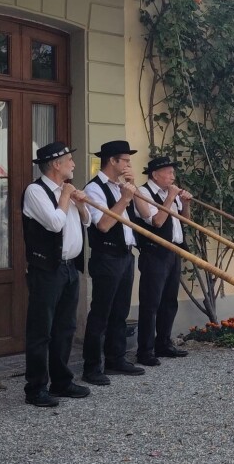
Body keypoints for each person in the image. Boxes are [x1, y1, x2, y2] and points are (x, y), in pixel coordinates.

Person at [21, 142, 91, 407]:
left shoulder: (67, 192)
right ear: (55, 164)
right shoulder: (35, 191)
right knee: (42, 329)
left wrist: (80, 203)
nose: (73, 164)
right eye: (69, 160)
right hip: (46, 269)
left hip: (70, 266)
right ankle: (36, 387)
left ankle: (62, 381)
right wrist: (66, 197)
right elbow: (54, 223)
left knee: (65, 327)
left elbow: (86, 222)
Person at [81, 140, 151, 385]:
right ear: (112, 161)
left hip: (125, 254)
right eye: (126, 160)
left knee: (121, 311)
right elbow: (103, 224)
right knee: (101, 313)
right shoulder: (94, 188)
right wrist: (123, 199)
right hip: (106, 256)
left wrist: (133, 188)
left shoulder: (123, 186)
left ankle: (115, 358)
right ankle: (91, 367)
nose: (129, 165)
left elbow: (146, 213)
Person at [133, 156, 192, 366]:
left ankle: (164, 343)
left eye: (172, 173)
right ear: (155, 174)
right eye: (169, 172)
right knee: (151, 303)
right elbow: (156, 221)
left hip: (173, 251)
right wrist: (170, 198)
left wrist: (185, 204)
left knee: (169, 301)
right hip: (154, 253)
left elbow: (185, 221)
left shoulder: (171, 194)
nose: (172, 177)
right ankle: (145, 350)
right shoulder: (143, 193)